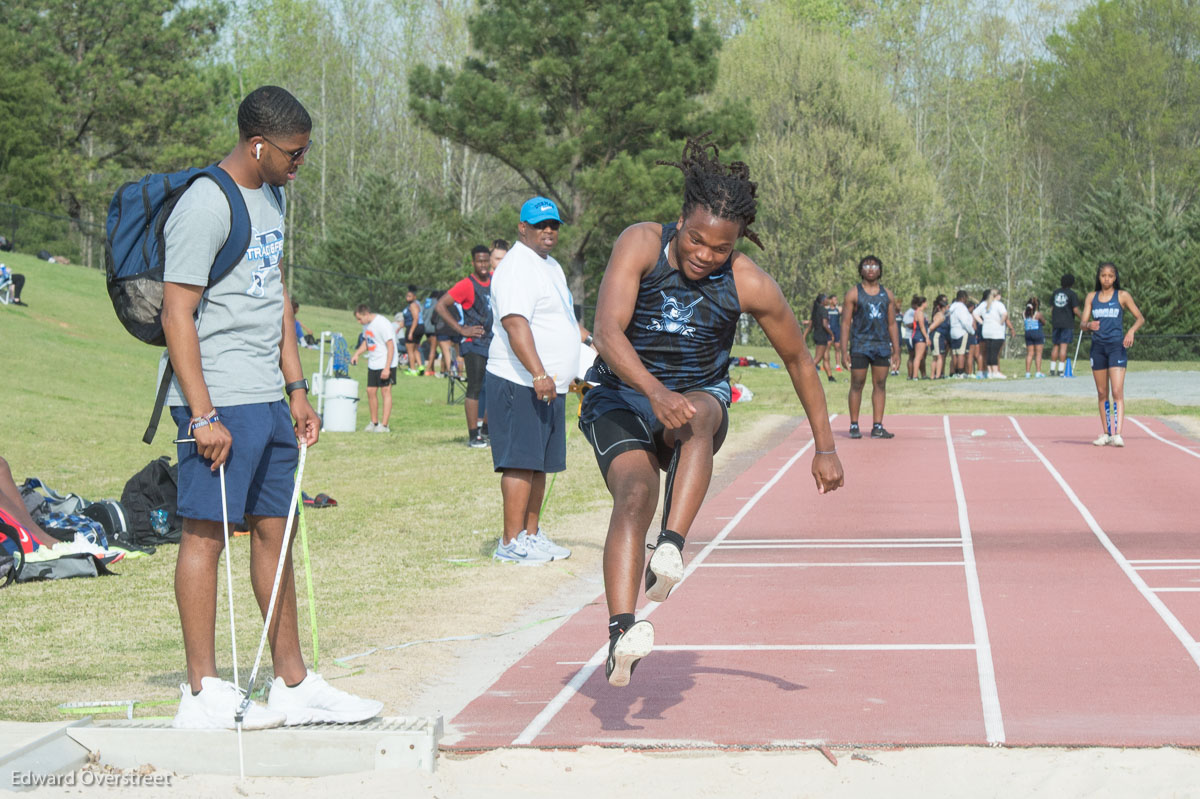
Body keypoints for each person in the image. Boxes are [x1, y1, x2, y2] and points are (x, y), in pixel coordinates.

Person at [582, 137, 843, 687]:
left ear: (739, 244)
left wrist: (824, 446)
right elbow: (606, 331)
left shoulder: (748, 283)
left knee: (700, 411)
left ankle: (670, 549)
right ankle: (621, 633)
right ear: (680, 221)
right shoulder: (641, 244)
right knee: (634, 495)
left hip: (693, 402)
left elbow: (798, 359)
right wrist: (654, 392)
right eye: (696, 240)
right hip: (622, 395)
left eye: (719, 249)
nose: (704, 255)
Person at [160, 85, 381, 729]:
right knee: (204, 537)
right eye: (293, 153)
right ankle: (201, 693)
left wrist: (298, 389)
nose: (299, 164)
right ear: (258, 143)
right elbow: (177, 311)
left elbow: (276, 296)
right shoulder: (205, 203)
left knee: (274, 536)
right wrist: (201, 415)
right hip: (218, 399)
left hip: (266, 398)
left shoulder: (273, 196)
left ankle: (293, 683)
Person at [486, 196, 581, 563]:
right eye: (540, 225)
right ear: (522, 228)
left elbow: (559, 321)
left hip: (550, 384)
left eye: (553, 225)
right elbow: (515, 323)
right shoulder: (516, 266)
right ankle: (510, 543)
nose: (548, 231)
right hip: (520, 380)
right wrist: (538, 372)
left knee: (540, 462)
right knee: (520, 461)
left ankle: (531, 534)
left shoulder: (550, 265)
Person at [1081, 262, 1145, 447]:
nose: (1106, 279)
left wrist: (1131, 331)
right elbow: (1083, 323)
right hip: (1098, 348)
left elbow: (1140, 318)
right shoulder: (1091, 297)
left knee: (1117, 391)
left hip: (1116, 347)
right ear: (1099, 277)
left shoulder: (1122, 296)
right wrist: (1088, 326)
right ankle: (1106, 433)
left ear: (1115, 277)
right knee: (1102, 392)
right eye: (1103, 276)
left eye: (1110, 276)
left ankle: (1118, 433)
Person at [840, 255, 900, 438]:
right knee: (857, 384)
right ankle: (854, 425)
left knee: (880, 384)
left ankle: (877, 426)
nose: (871, 269)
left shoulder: (887, 294)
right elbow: (845, 323)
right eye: (867, 265)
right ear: (861, 270)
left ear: (880, 270)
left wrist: (896, 350)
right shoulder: (853, 293)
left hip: (881, 345)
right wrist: (843, 351)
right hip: (860, 344)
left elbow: (892, 324)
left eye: (874, 265)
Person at [438, 245, 493, 447]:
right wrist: (461, 329)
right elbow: (441, 305)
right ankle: (473, 435)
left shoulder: (495, 280)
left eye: (486, 260)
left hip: (492, 343)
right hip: (473, 343)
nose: (483, 265)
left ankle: (487, 431)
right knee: (475, 387)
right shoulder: (466, 285)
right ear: (473, 262)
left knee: (495, 387)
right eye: (479, 261)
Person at [351, 304, 397, 432]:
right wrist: (357, 354)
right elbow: (367, 341)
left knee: (385, 391)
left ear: (366, 314)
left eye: (360, 319)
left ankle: (384, 425)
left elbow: (391, 346)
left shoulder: (382, 324)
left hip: (386, 362)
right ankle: (374, 422)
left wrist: (387, 368)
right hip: (374, 363)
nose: (359, 322)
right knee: (370, 391)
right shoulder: (366, 326)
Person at [973, 288, 1015, 379]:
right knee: (994, 352)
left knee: (989, 352)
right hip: (996, 331)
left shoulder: (984, 304)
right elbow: (1005, 314)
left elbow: (975, 313)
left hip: (986, 331)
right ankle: (995, 372)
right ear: (997, 296)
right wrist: (1001, 322)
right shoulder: (999, 304)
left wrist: (982, 322)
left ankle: (990, 372)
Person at [1049, 273, 1081, 376]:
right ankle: (1061, 370)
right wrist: (1083, 318)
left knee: (1055, 345)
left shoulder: (1055, 292)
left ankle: (1052, 369)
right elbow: (1075, 310)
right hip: (1067, 323)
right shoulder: (1072, 294)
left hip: (1056, 322)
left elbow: (1052, 309)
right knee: (1063, 346)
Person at [802, 293, 835, 382]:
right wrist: (832, 334)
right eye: (827, 299)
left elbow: (810, 325)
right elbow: (825, 324)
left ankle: (830, 377)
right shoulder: (823, 310)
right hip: (822, 336)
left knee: (825, 357)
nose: (828, 301)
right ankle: (804, 375)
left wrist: (804, 336)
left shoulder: (815, 311)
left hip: (816, 335)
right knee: (817, 359)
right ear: (823, 301)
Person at [946, 290, 973, 379]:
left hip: (953, 331)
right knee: (961, 353)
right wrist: (971, 331)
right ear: (963, 298)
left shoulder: (952, 307)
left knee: (954, 354)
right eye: (966, 298)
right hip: (961, 332)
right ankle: (960, 373)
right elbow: (965, 322)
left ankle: (955, 373)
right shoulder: (961, 308)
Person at [399, 286, 424, 375]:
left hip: (414, 328)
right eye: (407, 296)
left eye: (410, 296)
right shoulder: (411, 305)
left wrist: (410, 332)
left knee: (409, 349)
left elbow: (416, 318)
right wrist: (399, 328)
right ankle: (421, 367)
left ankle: (412, 369)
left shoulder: (413, 305)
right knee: (415, 349)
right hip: (418, 327)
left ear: (414, 297)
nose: (407, 298)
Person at [1022, 297, 1046, 378]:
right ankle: (1038, 372)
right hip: (1037, 333)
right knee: (1038, 354)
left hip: (1028, 333)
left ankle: (1027, 373)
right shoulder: (1037, 314)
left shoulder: (1024, 313)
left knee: (1029, 354)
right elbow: (1044, 322)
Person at [908, 295, 929, 380]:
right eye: (926, 302)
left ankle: (916, 375)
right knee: (918, 357)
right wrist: (926, 337)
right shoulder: (919, 312)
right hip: (919, 336)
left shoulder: (917, 312)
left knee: (919, 356)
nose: (927, 304)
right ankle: (915, 376)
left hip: (917, 335)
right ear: (923, 303)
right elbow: (922, 326)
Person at [825, 295, 842, 371]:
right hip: (829, 331)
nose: (836, 301)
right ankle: (826, 364)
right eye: (834, 299)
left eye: (836, 299)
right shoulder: (826, 309)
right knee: (827, 348)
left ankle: (837, 366)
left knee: (837, 347)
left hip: (837, 330)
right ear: (830, 300)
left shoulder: (838, 309)